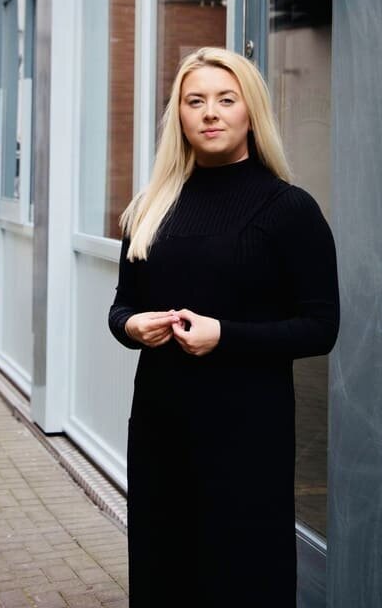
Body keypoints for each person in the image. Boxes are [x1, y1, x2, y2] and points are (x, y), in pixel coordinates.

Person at [108, 46, 339, 608]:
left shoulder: (289, 209)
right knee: (164, 570)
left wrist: (226, 336)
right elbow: (121, 307)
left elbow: (321, 327)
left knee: (242, 577)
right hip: (161, 425)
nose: (210, 112)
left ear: (249, 111)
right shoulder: (151, 207)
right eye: (195, 101)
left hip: (247, 432)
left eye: (225, 99)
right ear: (179, 117)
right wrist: (132, 326)